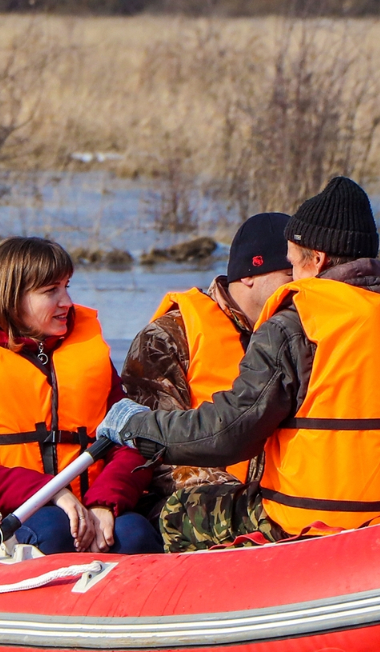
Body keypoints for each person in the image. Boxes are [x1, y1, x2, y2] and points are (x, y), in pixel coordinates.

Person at [97, 176, 380, 553]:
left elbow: (228, 435)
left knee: (178, 511)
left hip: (317, 523)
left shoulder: (295, 323)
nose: (292, 275)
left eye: (292, 261)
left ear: (316, 260)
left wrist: (136, 426)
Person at [0, 236, 160, 556]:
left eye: (66, 287)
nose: (67, 302)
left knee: (133, 533)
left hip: (86, 508)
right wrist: (53, 493)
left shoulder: (91, 360)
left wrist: (106, 503)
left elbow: (131, 440)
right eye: (51, 291)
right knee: (52, 528)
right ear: (10, 298)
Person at [119, 212, 293, 514]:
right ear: (250, 275)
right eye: (290, 275)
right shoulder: (167, 338)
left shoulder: (301, 334)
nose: (300, 288)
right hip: (198, 507)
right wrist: (246, 506)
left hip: (284, 501)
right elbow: (155, 453)